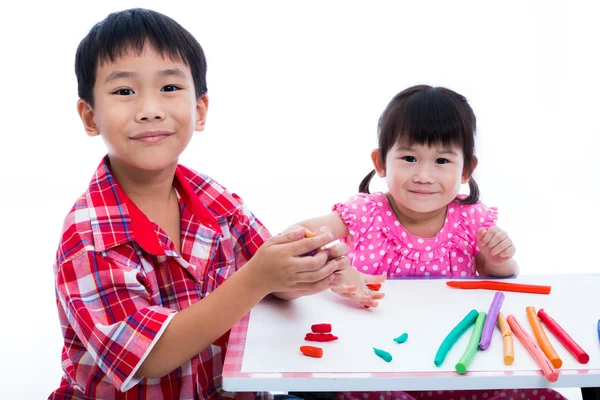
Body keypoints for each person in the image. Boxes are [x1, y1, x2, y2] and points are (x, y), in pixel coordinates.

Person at [49, 8, 348, 399]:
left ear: (200, 110)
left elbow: (270, 279)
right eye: (124, 92)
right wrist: (260, 277)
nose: (150, 109)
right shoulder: (88, 237)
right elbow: (150, 356)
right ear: (90, 117)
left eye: (169, 88)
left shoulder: (212, 197)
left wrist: (306, 267)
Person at [288, 85, 565, 399]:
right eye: (409, 157)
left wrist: (497, 259)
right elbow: (294, 236)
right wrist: (338, 266)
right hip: (377, 360)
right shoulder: (363, 214)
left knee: (533, 389)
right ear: (380, 162)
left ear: (467, 170)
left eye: (442, 161)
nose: (423, 175)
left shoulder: (472, 220)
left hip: (457, 362)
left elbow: (498, 281)